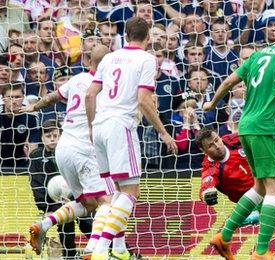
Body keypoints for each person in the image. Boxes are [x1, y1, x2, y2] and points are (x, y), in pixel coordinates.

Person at [203, 18, 275, 260]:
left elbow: (228, 81)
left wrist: (212, 103)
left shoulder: (257, 56)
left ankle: (224, 235)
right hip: (265, 129)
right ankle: (260, 253)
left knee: (259, 186)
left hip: (245, 127)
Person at [85, 17, 178, 260]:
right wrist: (164, 132)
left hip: (101, 125)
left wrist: (92, 126)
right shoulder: (146, 59)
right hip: (121, 126)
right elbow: (144, 101)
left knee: (117, 191)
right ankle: (101, 249)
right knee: (131, 192)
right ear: (148, 37)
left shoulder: (109, 57)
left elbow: (90, 94)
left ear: (125, 35)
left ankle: (118, 249)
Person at [22, 45, 116, 258]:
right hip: (84, 149)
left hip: (63, 148)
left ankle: (44, 224)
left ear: (88, 61)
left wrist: (34, 107)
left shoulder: (76, 79)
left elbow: (53, 97)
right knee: (107, 202)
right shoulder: (105, 87)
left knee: (88, 203)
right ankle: (93, 251)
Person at [27, 120, 94, 259]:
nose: (52, 139)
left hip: (78, 200)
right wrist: (47, 207)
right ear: (42, 138)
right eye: (48, 136)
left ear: (61, 136)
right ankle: (69, 256)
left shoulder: (70, 153)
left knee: (89, 224)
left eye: (55, 135)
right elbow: (37, 186)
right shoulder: (37, 157)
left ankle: (110, 250)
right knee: (65, 226)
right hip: (54, 205)